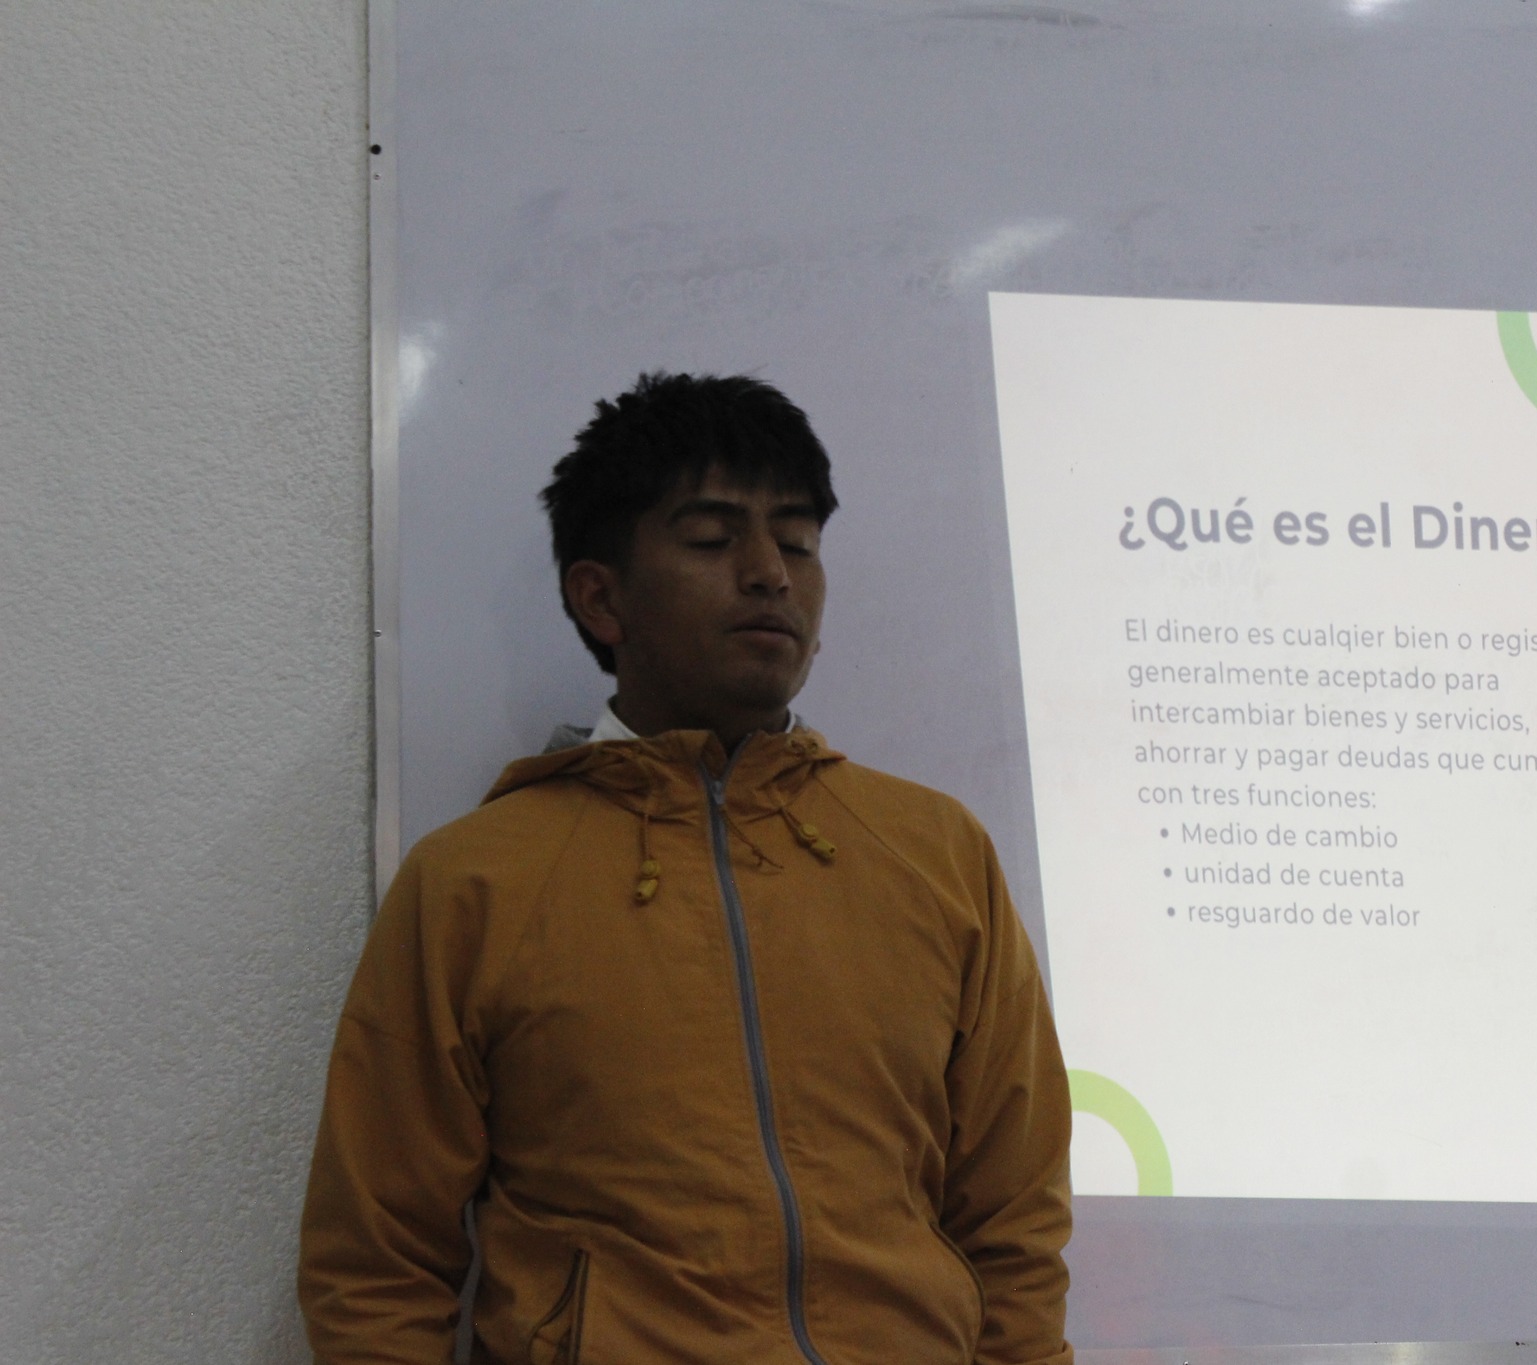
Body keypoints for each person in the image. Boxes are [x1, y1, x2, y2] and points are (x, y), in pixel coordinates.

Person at [299, 372, 1073, 1364]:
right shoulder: (474, 882)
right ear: (601, 596)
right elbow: (376, 1262)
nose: (769, 574)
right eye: (712, 539)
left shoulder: (935, 852)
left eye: (797, 542)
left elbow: (1013, 1219)